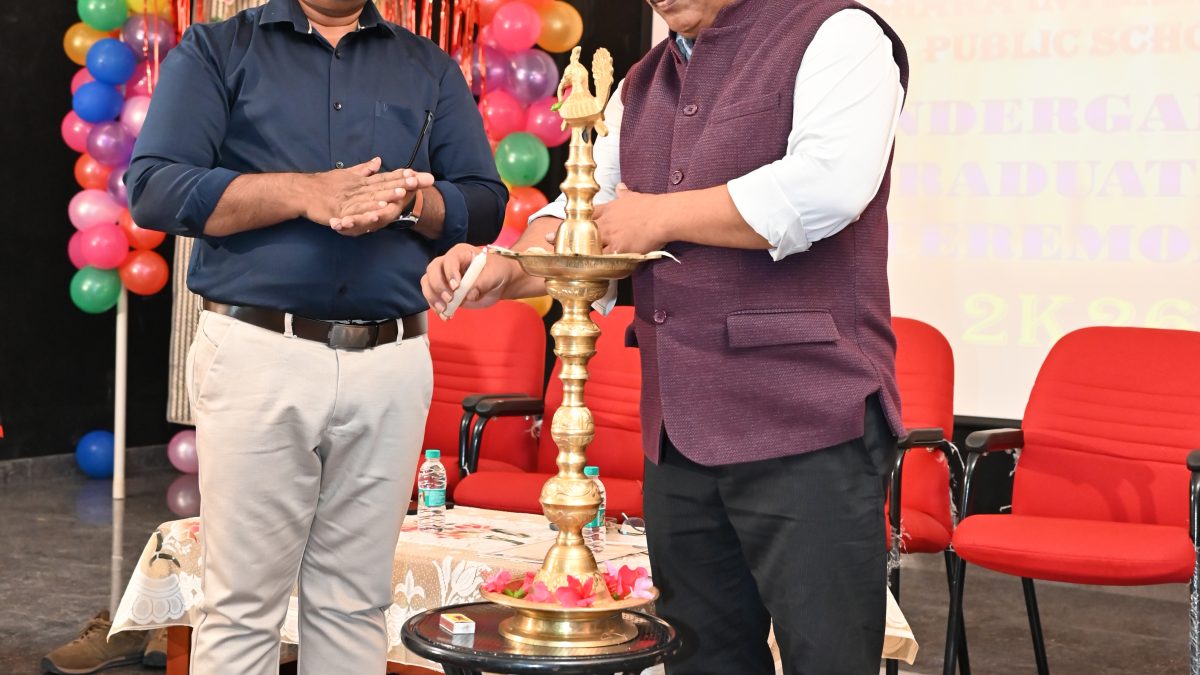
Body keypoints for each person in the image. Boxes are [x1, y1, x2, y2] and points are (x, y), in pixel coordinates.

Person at [422, 0, 907, 672]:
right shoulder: (641, 82)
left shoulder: (837, 32)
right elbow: (584, 208)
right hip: (677, 436)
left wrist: (659, 217)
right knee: (702, 659)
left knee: (828, 658)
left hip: (808, 425)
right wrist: (503, 267)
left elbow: (828, 186)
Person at [127, 0, 505, 672]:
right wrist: (306, 193)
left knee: (355, 604)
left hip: (392, 360)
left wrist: (409, 203)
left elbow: (485, 201)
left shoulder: (427, 65)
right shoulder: (218, 50)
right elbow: (155, 187)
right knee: (241, 607)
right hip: (258, 353)